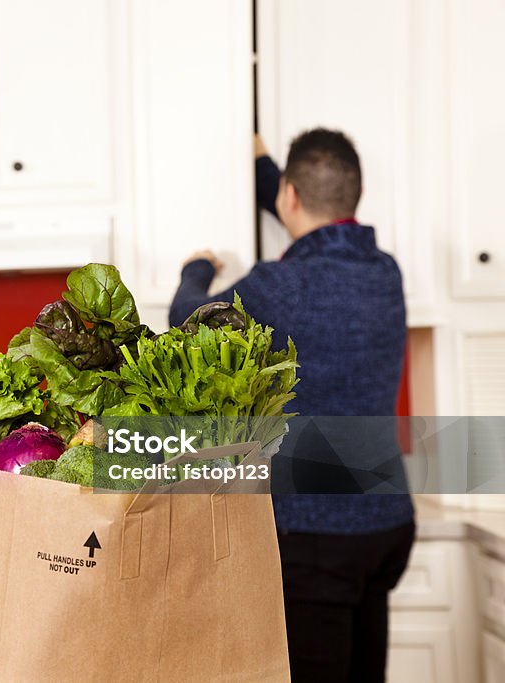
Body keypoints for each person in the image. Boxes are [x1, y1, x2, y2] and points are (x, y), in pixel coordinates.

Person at [169, 128, 415, 682]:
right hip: (385, 523)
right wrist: (263, 163)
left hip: (318, 534)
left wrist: (197, 268)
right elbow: (318, 226)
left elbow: (191, 320)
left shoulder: (281, 285)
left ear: (290, 197)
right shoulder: (386, 272)